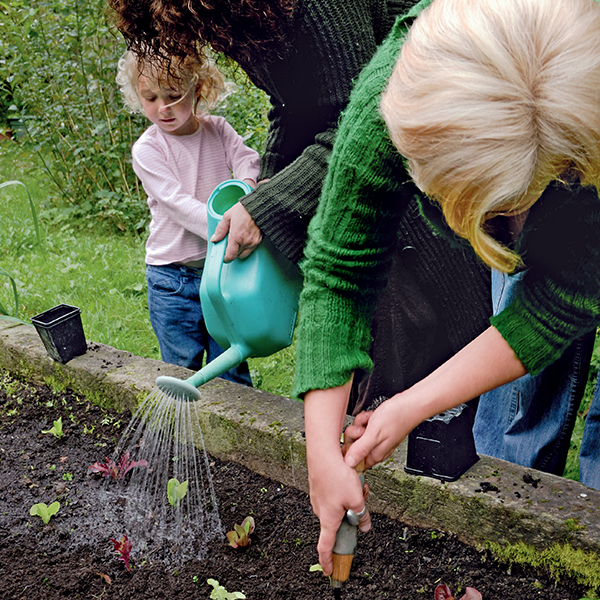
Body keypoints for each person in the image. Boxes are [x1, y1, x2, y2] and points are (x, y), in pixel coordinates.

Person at [294, 0, 600, 575]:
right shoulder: (405, 86)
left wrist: (415, 402)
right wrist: (321, 450)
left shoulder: (587, 122)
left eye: (502, 208)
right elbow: (339, 268)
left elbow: (565, 299)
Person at [108, 0, 493, 401]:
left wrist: (268, 205)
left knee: (432, 320)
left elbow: (358, 121)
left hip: (442, 137)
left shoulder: (317, 10)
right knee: (370, 328)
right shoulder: (247, 20)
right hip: (372, 144)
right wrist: (271, 181)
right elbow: (290, 104)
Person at [116, 50, 260, 384]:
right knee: (182, 366)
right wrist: (228, 225)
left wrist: (248, 194)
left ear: (197, 89)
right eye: (150, 98)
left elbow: (249, 161)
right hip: (171, 280)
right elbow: (177, 203)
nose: (162, 108)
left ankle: (238, 429)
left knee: (230, 361)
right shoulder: (148, 149)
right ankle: (188, 427)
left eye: (172, 96)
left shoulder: (218, 130)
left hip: (221, 273)